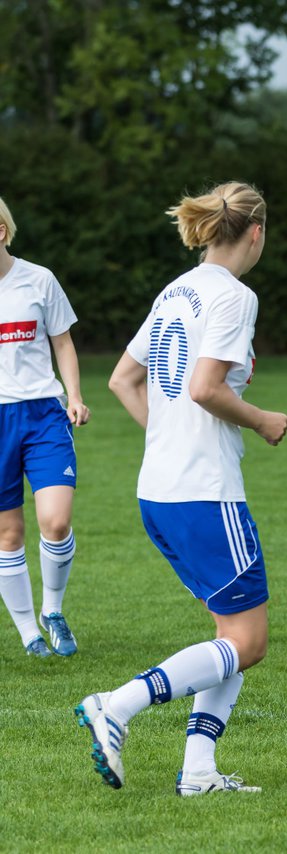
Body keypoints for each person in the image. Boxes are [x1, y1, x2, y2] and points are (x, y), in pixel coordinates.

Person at [77, 181, 287, 796]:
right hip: (204, 491)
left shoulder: (176, 291)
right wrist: (263, 419)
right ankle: (115, 705)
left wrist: (167, 436)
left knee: (229, 634)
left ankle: (198, 771)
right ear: (256, 232)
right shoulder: (234, 295)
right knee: (247, 643)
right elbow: (204, 389)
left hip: (161, 490)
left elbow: (123, 378)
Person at [0, 194, 90, 659]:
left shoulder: (39, 280)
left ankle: (52, 611)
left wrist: (73, 396)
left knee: (55, 520)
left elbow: (63, 342)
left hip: (43, 413)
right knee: (7, 534)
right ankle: (28, 634)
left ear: (1, 231)